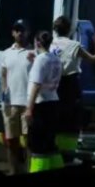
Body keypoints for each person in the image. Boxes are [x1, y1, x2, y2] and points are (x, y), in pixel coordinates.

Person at [50, 17, 95, 164]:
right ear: (69, 29)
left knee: (57, 119)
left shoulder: (51, 44)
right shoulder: (74, 45)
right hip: (70, 85)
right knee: (71, 121)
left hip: (54, 85)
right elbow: (92, 58)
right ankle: (69, 155)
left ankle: (57, 152)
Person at [23, 31, 64, 173]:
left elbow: (36, 85)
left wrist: (29, 109)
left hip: (40, 105)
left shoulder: (40, 60)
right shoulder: (56, 59)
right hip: (53, 102)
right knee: (50, 144)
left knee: (38, 146)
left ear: (38, 42)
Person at [1, 21, 35, 174]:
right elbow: (4, 74)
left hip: (28, 104)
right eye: (17, 30)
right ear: (13, 33)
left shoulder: (34, 52)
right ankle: (14, 171)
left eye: (23, 30)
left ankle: (28, 171)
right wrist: (4, 92)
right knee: (11, 141)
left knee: (28, 141)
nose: (20, 33)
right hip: (10, 104)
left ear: (28, 32)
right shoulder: (7, 53)